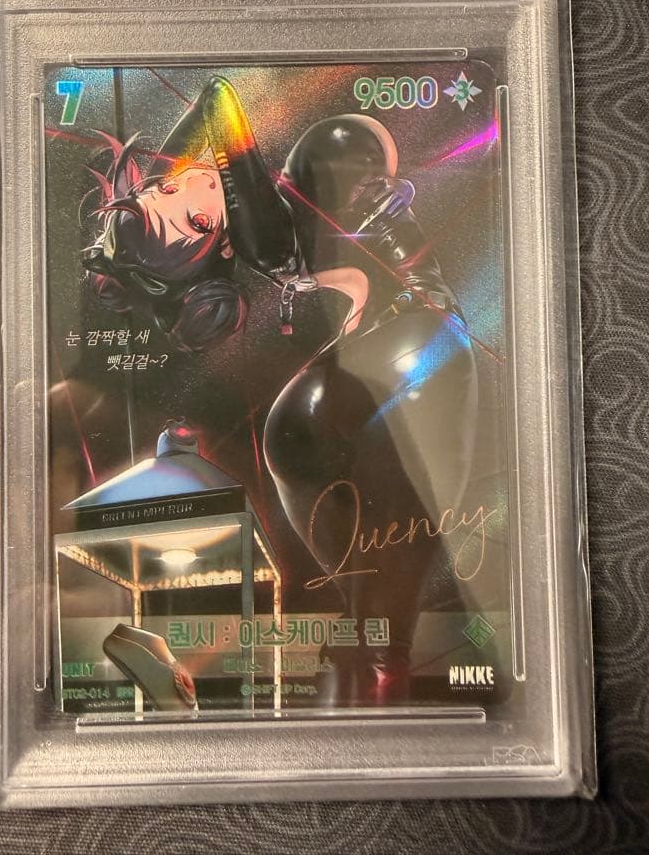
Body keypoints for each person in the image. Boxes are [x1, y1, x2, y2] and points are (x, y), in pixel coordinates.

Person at [84, 75, 478, 705]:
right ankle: (376, 644)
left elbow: (217, 102)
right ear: (214, 243)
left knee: (304, 433)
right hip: (416, 328)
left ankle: (381, 649)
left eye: (171, 185)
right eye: (192, 215)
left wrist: (152, 185)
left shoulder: (273, 211)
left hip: (421, 326)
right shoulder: (261, 233)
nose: (191, 180)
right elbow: (217, 100)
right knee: (305, 436)